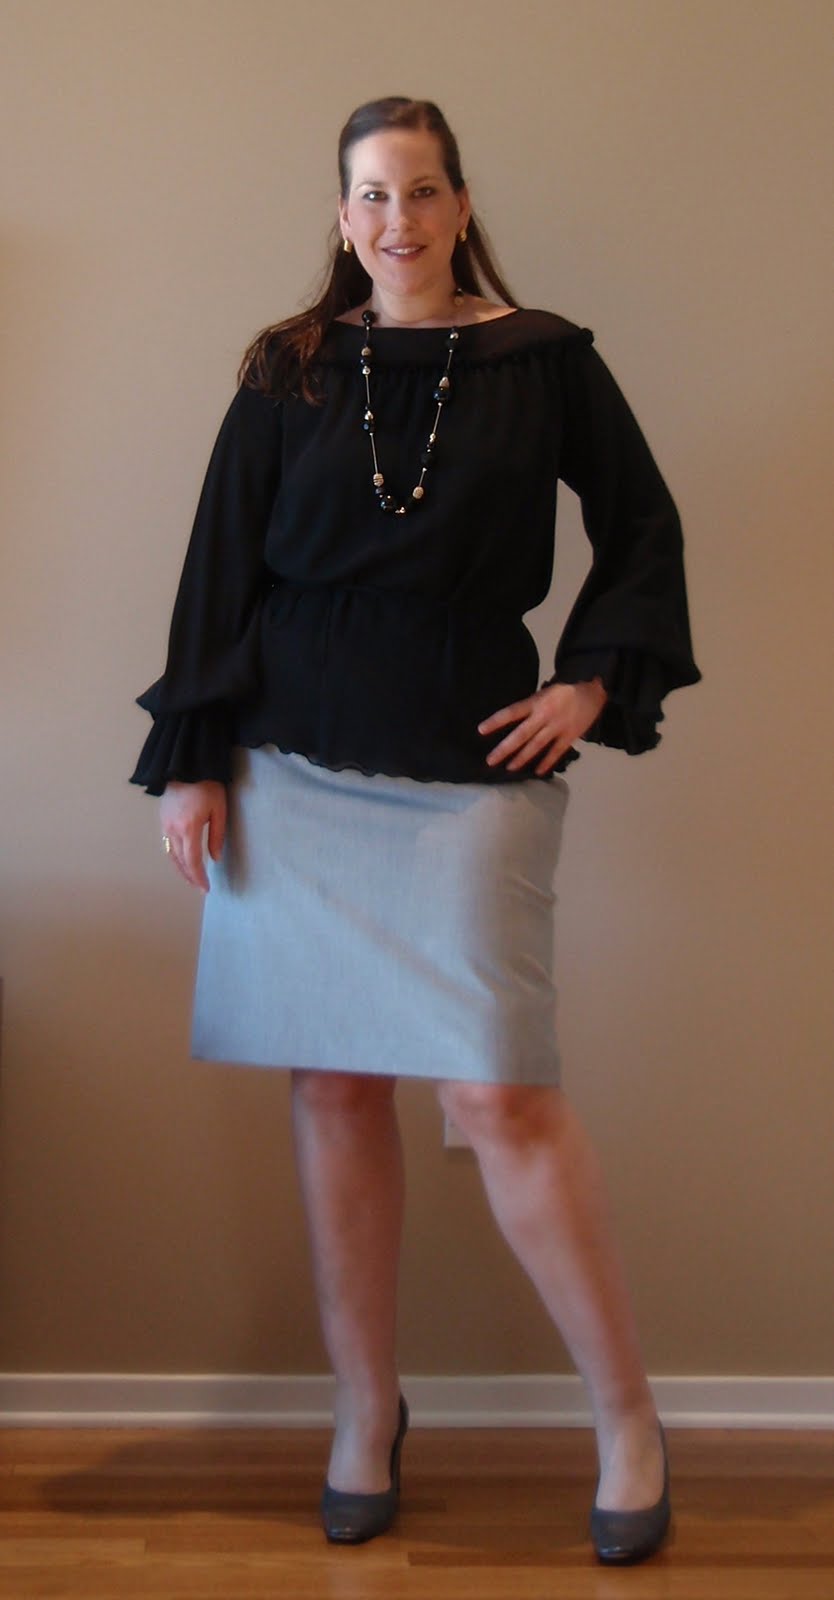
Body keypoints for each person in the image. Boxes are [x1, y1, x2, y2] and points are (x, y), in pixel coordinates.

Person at [131, 96, 700, 1564]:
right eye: (373, 195)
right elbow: (218, 566)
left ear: (459, 206)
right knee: (332, 1087)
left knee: (499, 1098)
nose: (399, 218)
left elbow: (641, 525)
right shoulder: (289, 367)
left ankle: (627, 1419)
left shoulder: (543, 360)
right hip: (289, 765)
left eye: (424, 190)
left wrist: (590, 678)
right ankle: (364, 1408)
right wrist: (192, 761)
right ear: (343, 217)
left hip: (466, 766)